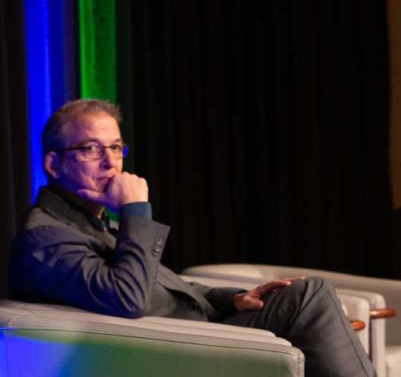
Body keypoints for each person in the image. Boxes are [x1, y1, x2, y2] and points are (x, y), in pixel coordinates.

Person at [8, 98, 374, 377]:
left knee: (303, 295)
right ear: (53, 164)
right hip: (177, 351)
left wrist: (233, 298)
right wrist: (136, 210)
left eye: (116, 147)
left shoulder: (91, 223)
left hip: (195, 334)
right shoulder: (44, 239)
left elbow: (161, 285)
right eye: (90, 148)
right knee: (311, 297)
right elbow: (128, 298)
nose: (110, 162)